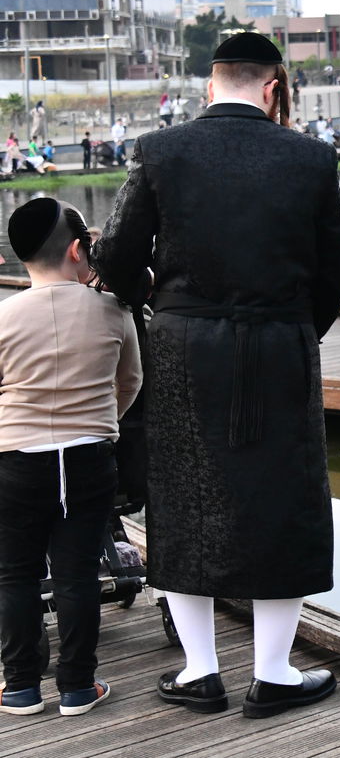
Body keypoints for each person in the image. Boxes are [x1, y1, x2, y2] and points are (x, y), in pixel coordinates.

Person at [92, 32, 340, 719]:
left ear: (211, 84)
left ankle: (200, 671)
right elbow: (333, 276)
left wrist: (157, 298)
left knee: (183, 495)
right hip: (278, 345)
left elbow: (113, 257)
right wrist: (293, 332)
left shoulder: (160, 150)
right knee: (284, 499)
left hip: (182, 346)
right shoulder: (313, 158)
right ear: (273, 87)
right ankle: (273, 673)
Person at [0, 199, 141, 717]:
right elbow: (130, 383)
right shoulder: (113, 310)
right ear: (80, 249)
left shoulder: (5, 314)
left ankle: (19, 687)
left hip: (16, 457)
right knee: (76, 574)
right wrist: (101, 424)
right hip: (88, 455)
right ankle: (78, 687)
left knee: (14, 574)